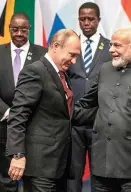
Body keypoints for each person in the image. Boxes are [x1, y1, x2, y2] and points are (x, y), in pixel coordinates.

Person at [73, 27, 131, 192]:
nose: (111, 50)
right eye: (111, 45)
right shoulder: (105, 69)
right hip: (101, 165)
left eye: (117, 46)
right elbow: (86, 105)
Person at [6, 29, 80, 192]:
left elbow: (63, 113)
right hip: (39, 166)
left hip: (58, 165)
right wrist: (17, 154)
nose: (74, 61)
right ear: (55, 46)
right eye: (71, 54)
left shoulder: (62, 74)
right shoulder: (35, 71)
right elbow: (18, 115)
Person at [67, 2, 111, 191]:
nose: (86, 23)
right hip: (73, 122)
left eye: (90, 19)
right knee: (72, 174)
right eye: (82, 19)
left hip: (99, 121)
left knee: (100, 175)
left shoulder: (110, 47)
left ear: (98, 20)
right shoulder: (69, 45)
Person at [0, 12, 46, 192]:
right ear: (9, 29)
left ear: (30, 29)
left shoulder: (43, 53)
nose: (19, 33)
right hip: (4, 125)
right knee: (6, 179)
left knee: (32, 179)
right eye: (15, 29)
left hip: (34, 125)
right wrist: (7, 112)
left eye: (23, 30)